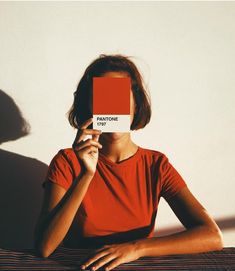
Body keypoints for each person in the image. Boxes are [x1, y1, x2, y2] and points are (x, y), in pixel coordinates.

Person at [34, 54, 223, 271]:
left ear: (136, 105)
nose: (113, 107)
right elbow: (44, 248)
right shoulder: (67, 161)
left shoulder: (156, 165)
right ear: (90, 105)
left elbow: (212, 236)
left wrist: (136, 248)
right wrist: (85, 175)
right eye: (104, 97)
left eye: (120, 97)